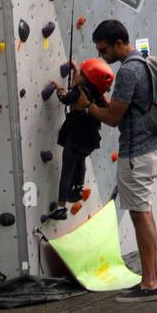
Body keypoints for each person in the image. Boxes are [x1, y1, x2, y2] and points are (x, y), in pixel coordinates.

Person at [77, 20, 157, 301]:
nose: (102, 56)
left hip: (135, 154)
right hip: (150, 148)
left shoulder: (128, 71)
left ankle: (149, 284)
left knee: (140, 215)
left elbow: (113, 119)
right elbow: (123, 109)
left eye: (103, 50)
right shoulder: (145, 61)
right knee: (144, 212)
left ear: (118, 44)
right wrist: (101, 101)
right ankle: (154, 278)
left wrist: (86, 106)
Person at [47, 57, 113, 220]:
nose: (78, 75)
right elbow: (80, 84)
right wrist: (76, 71)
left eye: (81, 74)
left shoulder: (79, 91)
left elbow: (65, 99)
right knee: (81, 160)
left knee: (66, 171)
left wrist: (58, 89)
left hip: (75, 138)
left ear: (86, 79)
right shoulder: (98, 96)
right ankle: (77, 188)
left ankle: (61, 208)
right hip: (89, 141)